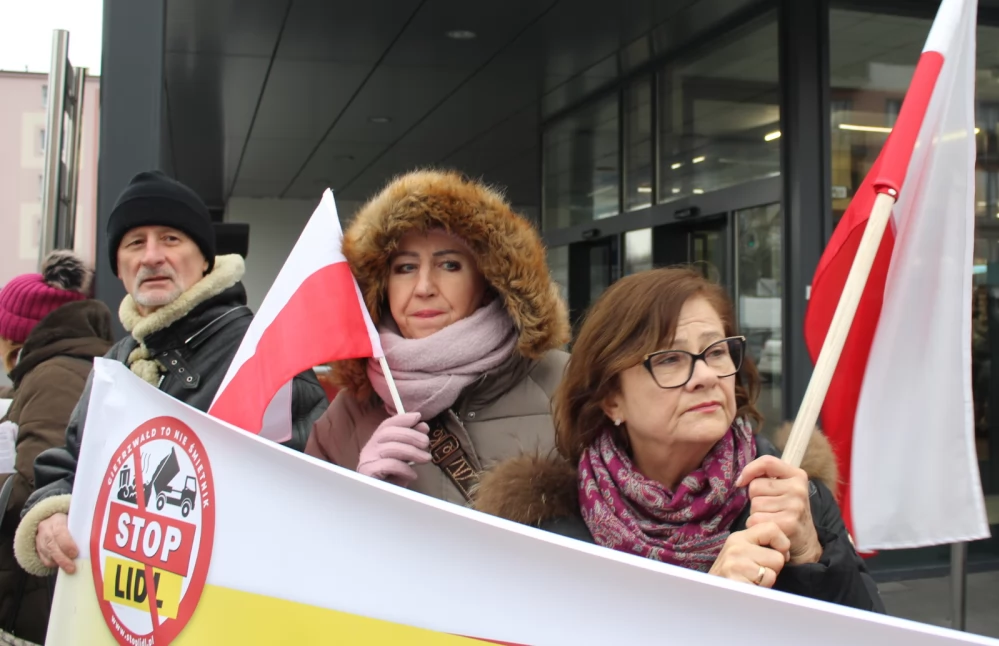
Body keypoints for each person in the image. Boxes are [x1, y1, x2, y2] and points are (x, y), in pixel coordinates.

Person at [474, 268, 884, 611]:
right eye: (669, 359)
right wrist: (710, 604)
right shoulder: (548, 524)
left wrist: (811, 557)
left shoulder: (791, 494)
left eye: (717, 352)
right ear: (611, 399)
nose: (705, 376)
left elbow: (874, 635)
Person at [14, 171, 329, 580]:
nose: (151, 256)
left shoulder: (262, 352)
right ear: (120, 269)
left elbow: (311, 491)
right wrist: (53, 514)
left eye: (170, 238)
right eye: (134, 243)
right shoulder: (116, 361)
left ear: (204, 260)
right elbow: (70, 463)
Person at [306, 169, 570, 506]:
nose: (424, 288)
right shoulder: (350, 411)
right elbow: (308, 539)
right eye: (405, 267)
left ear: (488, 280)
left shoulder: (564, 383)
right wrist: (359, 497)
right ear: (382, 286)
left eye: (449, 266)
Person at [0, 251, 112, 643]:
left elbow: (39, 482)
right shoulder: (62, 369)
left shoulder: (53, 376)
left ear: (16, 336)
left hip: (31, 599)